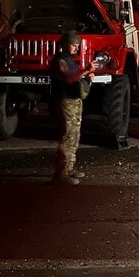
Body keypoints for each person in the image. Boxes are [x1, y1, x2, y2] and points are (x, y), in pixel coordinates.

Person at [50, 31, 98, 185]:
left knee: (75, 135)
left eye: (77, 46)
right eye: (73, 45)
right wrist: (86, 71)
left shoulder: (70, 60)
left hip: (75, 100)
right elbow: (69, 78)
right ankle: (61, 175)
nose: (76, 48)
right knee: (68, 136)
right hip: (66, 101)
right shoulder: (60, 60)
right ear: (65, 44)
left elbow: (75, 76)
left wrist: (86, 75)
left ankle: (69, 168)